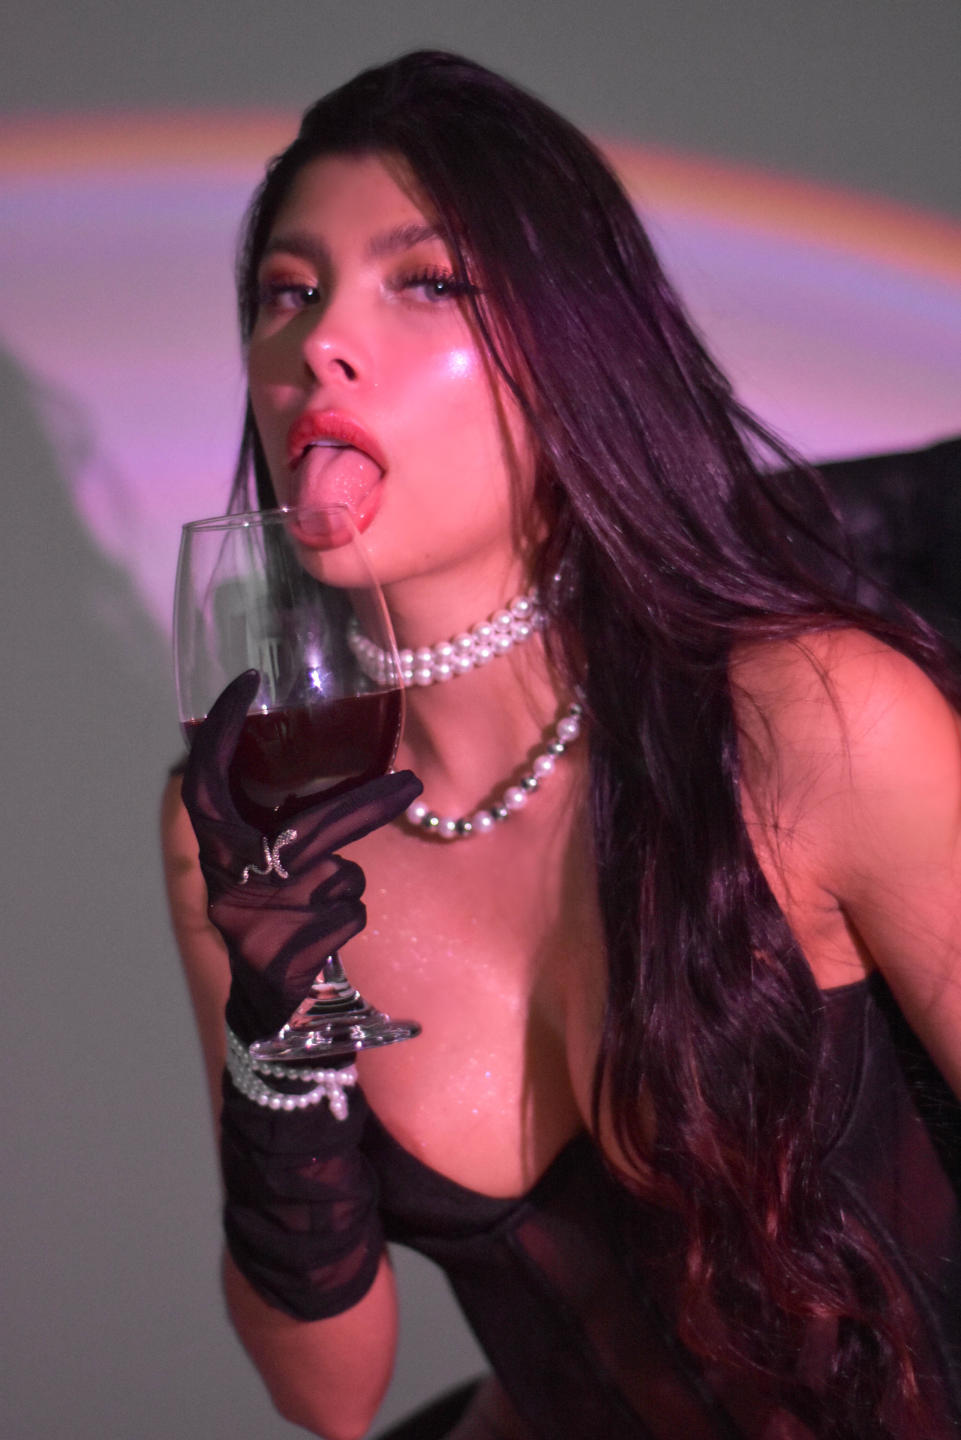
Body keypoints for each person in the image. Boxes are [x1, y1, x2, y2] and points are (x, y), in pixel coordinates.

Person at [161, 50, 961, 1440]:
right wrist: (277, 1052)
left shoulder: (814, 722)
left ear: (573, 347)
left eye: (427, 281)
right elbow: (327, 1394)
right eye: (288, 292)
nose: (318, 344)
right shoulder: (236, 826)